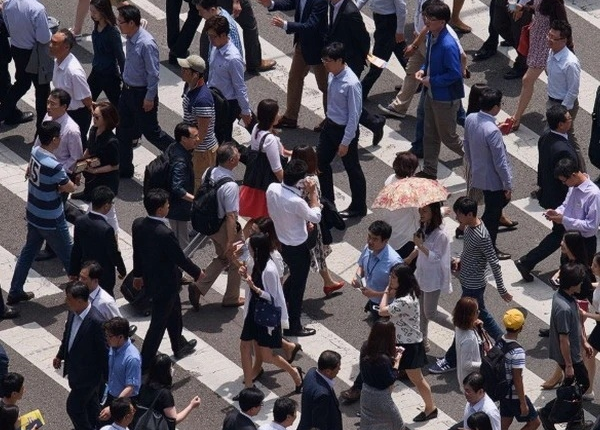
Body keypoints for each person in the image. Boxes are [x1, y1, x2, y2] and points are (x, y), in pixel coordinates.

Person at [430, 197, 512, 374]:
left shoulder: (482, 235)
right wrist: (460, 259)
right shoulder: (468, 228)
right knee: (482, 315)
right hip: (467, 281)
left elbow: (494, 262)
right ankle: (505, 344)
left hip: (474, 286)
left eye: (459, 214)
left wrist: (502, 289)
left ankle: (451, 360)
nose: (456, 217)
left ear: (469, 214)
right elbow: (469, 251)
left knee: (463, 321)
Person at [132, 189, 204, 371]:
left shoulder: (138, 224)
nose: (168, 207)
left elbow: (137, 252)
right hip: (166, 284)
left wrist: (138, 275)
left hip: (152, 280)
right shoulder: (164, 233)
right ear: (159, 210)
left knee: (175, 311)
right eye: (166, 205)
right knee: (158, 324)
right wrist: (197, 272)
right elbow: (179, 257)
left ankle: (178, 344)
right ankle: (145, 362)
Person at [8, 120, 77, 307]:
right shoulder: (54, 165)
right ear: (54, 139)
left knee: (28, 253)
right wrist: (71, 183)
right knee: (70, 256)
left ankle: (15, 291)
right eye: (59, 137)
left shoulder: (35, 152)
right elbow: (69, 187)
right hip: (51, 218)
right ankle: (79, 296)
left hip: (34, 213)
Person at [236, 233, 303, 397]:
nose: (248, 250)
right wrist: (245, 274)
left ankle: (294, 372)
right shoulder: (255, 262)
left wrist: (254, 288)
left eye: (250, 248)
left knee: (267, 356)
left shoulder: (269, 270)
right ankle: (248, 387)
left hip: (265, 315)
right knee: (244, 346)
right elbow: (248, 271)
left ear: (257, 250)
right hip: (254, 311)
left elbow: (273, 297)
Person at [516, 157, 600, 282]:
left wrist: (564, 220)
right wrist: (557, 212)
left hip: (584, 243)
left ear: (573, 175)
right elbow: (566, 205)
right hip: (569, 237)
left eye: (564, 180)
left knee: (583, 276)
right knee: (567, 272)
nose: (564, 184)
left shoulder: (593, 194)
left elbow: (591, 226)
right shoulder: (573, 186)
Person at [116, 4, 175, 179]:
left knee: (151, 132)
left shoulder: (146, 44)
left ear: (131, 23)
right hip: (127, 91)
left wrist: (149, 97)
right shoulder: (131, 36)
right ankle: (125, 168)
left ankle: (179, 154)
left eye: (121, 22)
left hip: (141, 94)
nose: (118, 25)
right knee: (123, 130)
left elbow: (153, 74)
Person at [266, 160, 321, 336]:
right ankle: (294, 325)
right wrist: (312, 194)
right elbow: (316, 217)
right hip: (297, 246)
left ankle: (282, 301)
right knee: (299, 285)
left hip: (281, 241)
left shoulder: (272, 188)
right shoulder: (297, 202)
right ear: (300, 182)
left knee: (295, 277)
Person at [256, 0, 327, 130]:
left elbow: (311, 25)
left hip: (318, 49)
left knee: (325, 86)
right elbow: (290, 3)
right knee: (294, 78)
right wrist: (271, 4)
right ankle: (290, 117)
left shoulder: (320, 2)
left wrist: (286, 25)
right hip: (302, 44)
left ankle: (331, 119)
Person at [538, 262, 593, 430]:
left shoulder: (566, 296)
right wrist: (569, 365)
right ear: (572, 284)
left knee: (575, 387)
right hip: (569, 357)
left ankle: (575, 422)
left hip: (574, 352)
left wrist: (583, 341)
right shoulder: (563, 308)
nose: (582, 284)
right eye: (580, 281)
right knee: (579, 386)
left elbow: (576, 321)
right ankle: (548, 413)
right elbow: (564, 339)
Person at [379, 265, 437, 422]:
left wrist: (386, 292)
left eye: (393, 277)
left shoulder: (404, 301)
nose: (390, 279)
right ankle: (379, 408)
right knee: (390, 377)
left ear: (402, 280)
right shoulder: (409, 293)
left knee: (416, 380)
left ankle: (430, 408)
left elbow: (382, 311)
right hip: (402, 343)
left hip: (408, 346)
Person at [325, 0, 386, 146]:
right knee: (344, 100)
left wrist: (362, 57)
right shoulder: (333, 5)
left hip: (351, 62)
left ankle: (373, 123)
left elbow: (363, 38)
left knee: (349, 102)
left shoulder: (350, 12)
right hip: (338, 59)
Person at [317, 42, 367, 219]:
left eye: (328, 61)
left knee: (352, 168)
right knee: (320, 163)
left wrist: (345, 142)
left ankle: (359, 206)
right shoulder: (332, 74)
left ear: (340, 60)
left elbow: (354, 115)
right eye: (324, 60)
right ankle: (328, 203)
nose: (325, 64)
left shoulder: (351, 84)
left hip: (344, 131)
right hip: (330, 126)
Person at [191, 144, 244, 308]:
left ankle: (199, 287)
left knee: (223, 258)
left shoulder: (209, 171)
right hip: (223, 227)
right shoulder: (230, 186)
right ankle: (231, 298)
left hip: (209, 224)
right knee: (238, 259)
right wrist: (231, 241)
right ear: (231, 160)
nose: (239, 155)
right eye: (237, 154)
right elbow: (231, 216)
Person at [416, 1, 464, 180]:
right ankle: (429, 171)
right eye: (426, 16)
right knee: (430, 134)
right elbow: (429, 60)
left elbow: (455, 74)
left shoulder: (447, 45)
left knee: (448, 138)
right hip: (432, 93)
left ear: (442, 22)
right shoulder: (431, 35)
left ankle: (476, 156)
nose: (426, 21)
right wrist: (423, 69)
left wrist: (432, 81)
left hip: (445, 98)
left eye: (431, 18)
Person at [463, 88, 513, 259]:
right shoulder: (492, 131)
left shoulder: (471, 119)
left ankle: (476, 232)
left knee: (493, 210)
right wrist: (507, 184)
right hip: (494, 180)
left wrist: (473, 165)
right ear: (495, 107)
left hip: (479, 173)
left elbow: (466, 145)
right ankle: (488, 247)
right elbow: (500, 162)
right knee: (493, 213)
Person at [53, 282, 108, 430]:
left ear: (79, 300)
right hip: (75, 372)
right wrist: (60, 355)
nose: (66, 301)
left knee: (74, 408)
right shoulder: (73, 312)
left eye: (69, 299)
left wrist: (107, 379)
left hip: (88, 378)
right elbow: (68, 336)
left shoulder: (96, 322)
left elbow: (104, 353)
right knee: (91, 406)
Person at [510, 0, 570, 132]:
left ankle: (517, 117)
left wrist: (569, 47)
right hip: (538, 38)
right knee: (554, 76)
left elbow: (564, 24)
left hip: (547, 43)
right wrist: (524, 8)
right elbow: (537, 9)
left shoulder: (554, 3)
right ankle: (565, 111)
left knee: (527, 79)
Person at [291, 145, 343, 296]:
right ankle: (290, 291)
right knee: (312, 254)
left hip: (294, 220)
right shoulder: (311, 180)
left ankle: (328, 281)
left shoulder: (290, 177)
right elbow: (316, 200)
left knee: (315, 253)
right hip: (310, 221)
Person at [402, 202, 452, 351]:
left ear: (433, 212)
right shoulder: (425, 226)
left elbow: (437, 257)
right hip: (421, 274)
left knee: (430, 313)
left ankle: (461, 327)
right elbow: (419, 248)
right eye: (420, 210)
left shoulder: (441, 235)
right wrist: (410, 258)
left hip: (433, 278)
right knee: (421, 311)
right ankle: (422, 342)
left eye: (424, 211)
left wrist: (421, 246)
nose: (421, 213)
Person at [0, 0, 51, 127]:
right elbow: (44, 38)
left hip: (18, 50)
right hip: (35, 53)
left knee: (21, 83)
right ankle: (41, 128)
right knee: (42, 90)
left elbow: (8, 28)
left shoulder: (8, 4)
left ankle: (3, 112)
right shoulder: (37, 9)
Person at [69, 186, 126, 296]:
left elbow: (77, 248)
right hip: (103, 274)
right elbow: (113, 253)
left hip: (85, 270)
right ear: (106, 206)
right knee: (106, 300)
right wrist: (122, 269)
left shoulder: (80, 221)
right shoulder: (107, 229)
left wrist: (73, 271)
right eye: (111, 203)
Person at [239, 99, 291, 220]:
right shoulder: (269, 139)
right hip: (268, 186)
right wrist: (288, 188)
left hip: (257, 182)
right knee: (266, 221)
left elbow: (278, 149)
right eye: (277, 113)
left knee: (257, 220)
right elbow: (277, 169)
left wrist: (289, 152)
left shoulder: (257, 128)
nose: (279, 115)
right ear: (271, 117)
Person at [204, 15, 252, 143]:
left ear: (223, 35)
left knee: (223, 138)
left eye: (213, 36)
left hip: (227, 104)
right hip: (213, 98)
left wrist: (245, 111)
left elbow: (239, 86)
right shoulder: (215, 48)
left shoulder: (233, 59)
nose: (210, 40)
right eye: (209, 36)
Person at [546, 20, 585, 171]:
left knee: (568, 138)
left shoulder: (570, 63)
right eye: (549, 35)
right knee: (558, 136)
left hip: (564, 105)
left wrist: (562, 111)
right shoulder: (552, 52)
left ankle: (581, 171)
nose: (549, 39)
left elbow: (573, 90)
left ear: (564, 40)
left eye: (553, 38)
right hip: (552, 101)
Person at [177, 55, 218, 192]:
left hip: (202, 151)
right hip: (194, 148)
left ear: (195, 74)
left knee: (198, 185)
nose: (182, 71)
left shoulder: (202, 100)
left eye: (185, 70)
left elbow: (202, 133)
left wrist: (188, 149)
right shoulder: (189, 87)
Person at [496, 309, 541, 430]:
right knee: (534, 422)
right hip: (514, 395)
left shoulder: (500, 341)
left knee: (504, 422)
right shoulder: (517, 351)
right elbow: (517, 379)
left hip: (503, 392)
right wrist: (523, 402)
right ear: (521, 327)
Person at [73, 101, 121, 215]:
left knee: (100, 204)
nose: (93, 119)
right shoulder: (93, 130)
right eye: (93, 115)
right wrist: (80, 165)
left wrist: (95, 171)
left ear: (106, 119)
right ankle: (87, 194)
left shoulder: (111, 142)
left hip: (106, 178)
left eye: (97, 117)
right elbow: (89, 149)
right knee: (90, 187)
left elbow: (115, 165)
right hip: (92, 171)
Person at [49, 28, 93, 149]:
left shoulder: (74, 72)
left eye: (55, 43)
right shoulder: (57, 61)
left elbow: (86, 99)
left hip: (77, 115)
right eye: (51, 42)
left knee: (76, 146)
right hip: (63, 111)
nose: (50, 45)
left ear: (66, 47)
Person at [356, 321, 405, 429]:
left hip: (366, 393)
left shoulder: (365, 347)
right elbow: (391, 379)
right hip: (381, 398)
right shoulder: (383, 359)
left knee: (368, 424)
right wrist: (397, 362)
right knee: (398, 425)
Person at [357, 0, 408, 99]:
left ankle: (361, 92)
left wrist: (400, 31)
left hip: (389, 22)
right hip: (380, 19)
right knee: (400, 51)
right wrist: (353, 11)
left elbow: (401, 7)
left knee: (378, 60)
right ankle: (415, 81)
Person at [353, 220, 403, 319]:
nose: (370, 241)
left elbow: (398, 291)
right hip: (372, 299)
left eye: (375, 239)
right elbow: (361, 264)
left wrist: (374, 294)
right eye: (369, 236)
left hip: (385, 306)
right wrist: (357, 276)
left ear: (385, 241)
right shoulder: (368, 248)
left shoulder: (394, 262)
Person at [135, 354, 201, 429]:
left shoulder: (143, 386)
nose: (172, 369)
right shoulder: (165, 395)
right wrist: (191, 406)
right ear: (166, 372)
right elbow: (174, 420)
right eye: (170, 368)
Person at [98, 317, 141, 424]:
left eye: (110, 336)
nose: (107, 338)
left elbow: (130, 388)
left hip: (124, 402)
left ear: (120, 337)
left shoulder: (132, 358)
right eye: (106, 335)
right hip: (111, 395)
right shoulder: (114, 347)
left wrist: (113, 407)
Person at [379, 151, 421, 259]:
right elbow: (419, 214)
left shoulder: (390, 179)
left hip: (392, 230)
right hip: (406, 237)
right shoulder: (410, 190)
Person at [166, 123, 198, 250]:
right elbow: (177, 188)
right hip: (177, 208)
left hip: (174, 205)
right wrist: (195, 200)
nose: (198, 139)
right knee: (183, 245)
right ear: (184, 139)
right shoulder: (180, 162)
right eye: (194, 137)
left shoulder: (174, 147)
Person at [88, 0, 124, 107]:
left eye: (95, 12)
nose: (92, 15)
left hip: (109, 75)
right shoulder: (96, 27)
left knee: (118, 106)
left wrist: (125, 77)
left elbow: (120, 57)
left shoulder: (112, 32)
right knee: (85, 101)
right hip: (96, 72)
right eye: (91, 11)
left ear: (103, 11)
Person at [297, 350, 342, 430]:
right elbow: (319, 424)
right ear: (328, 371)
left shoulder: (312, 372)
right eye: (337, 367)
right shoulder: (323, 395)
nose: (339, 369)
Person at [452, 297, 483, 392]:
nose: (478, 313)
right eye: (476, 312)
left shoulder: (459, 328)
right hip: (472, 382)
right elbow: (466, 364)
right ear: (470, 316)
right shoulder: (469, 339)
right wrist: (484, 365)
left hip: (466, 379)